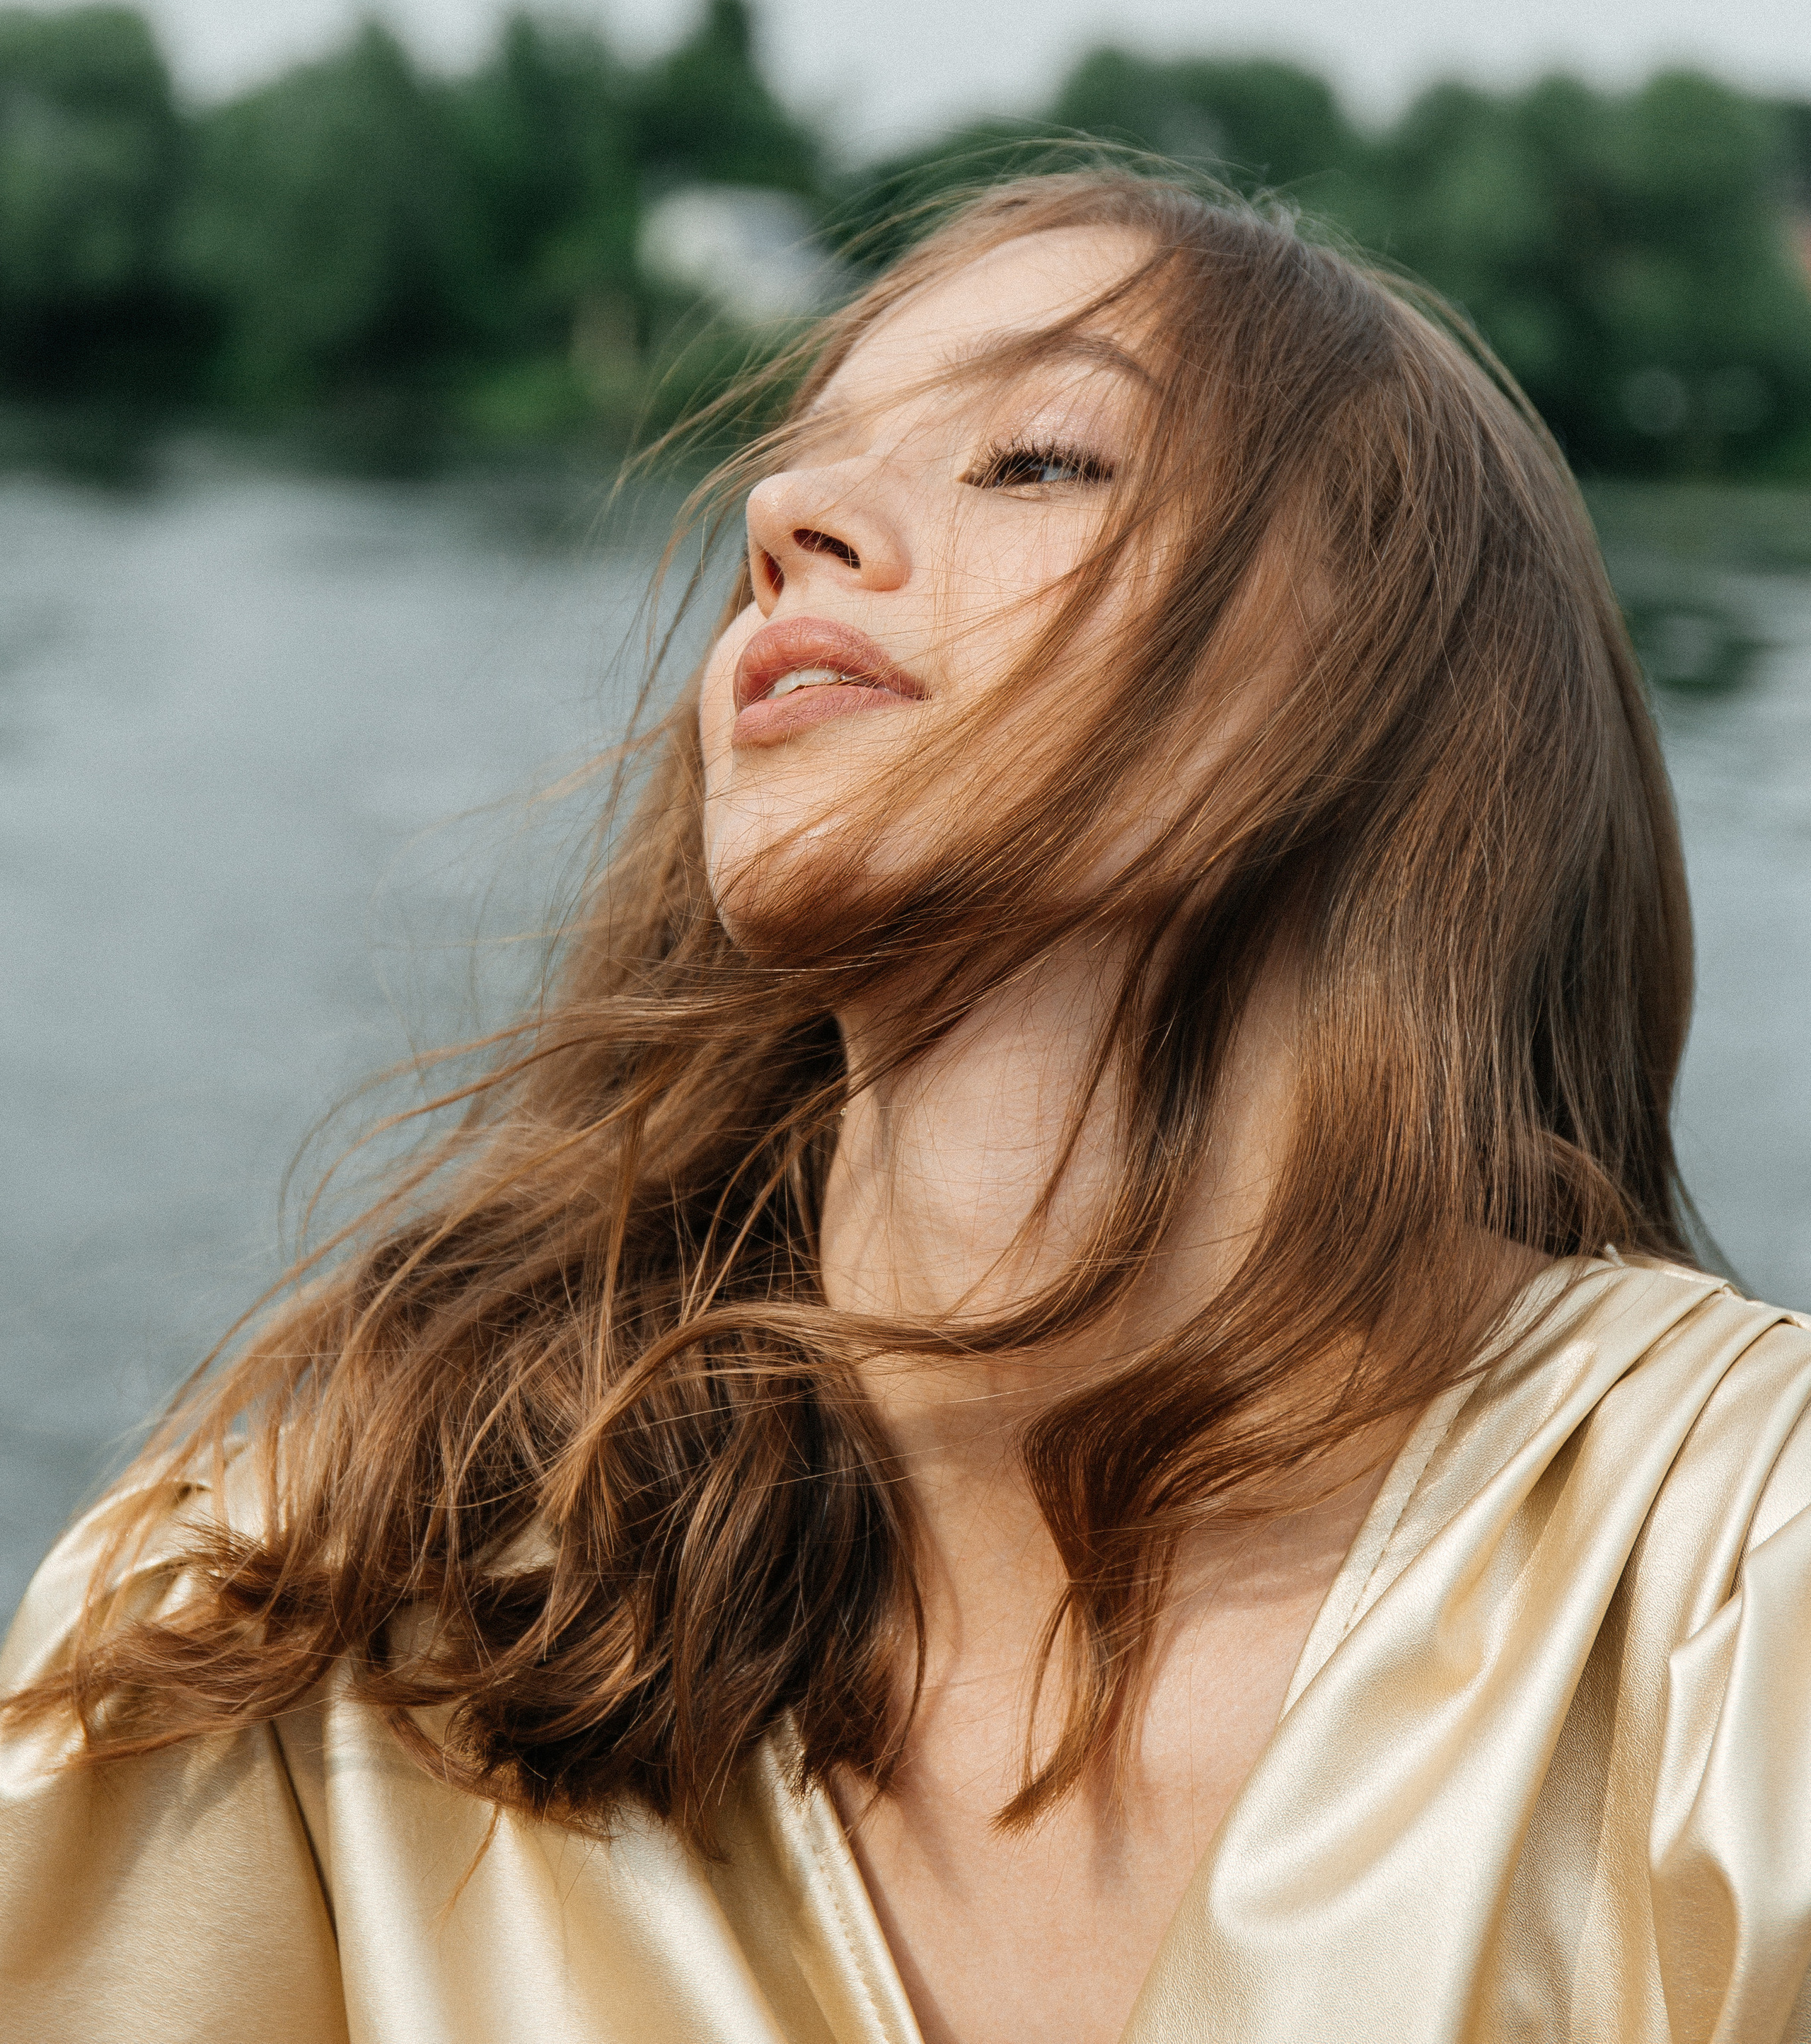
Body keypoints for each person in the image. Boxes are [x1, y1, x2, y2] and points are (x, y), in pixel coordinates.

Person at [4, 168, 1810, 2044]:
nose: (788, 517)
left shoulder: (1742, 1602)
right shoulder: (309, 1610)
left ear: (1384, 674)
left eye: (1038, 456)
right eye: (806, 465)